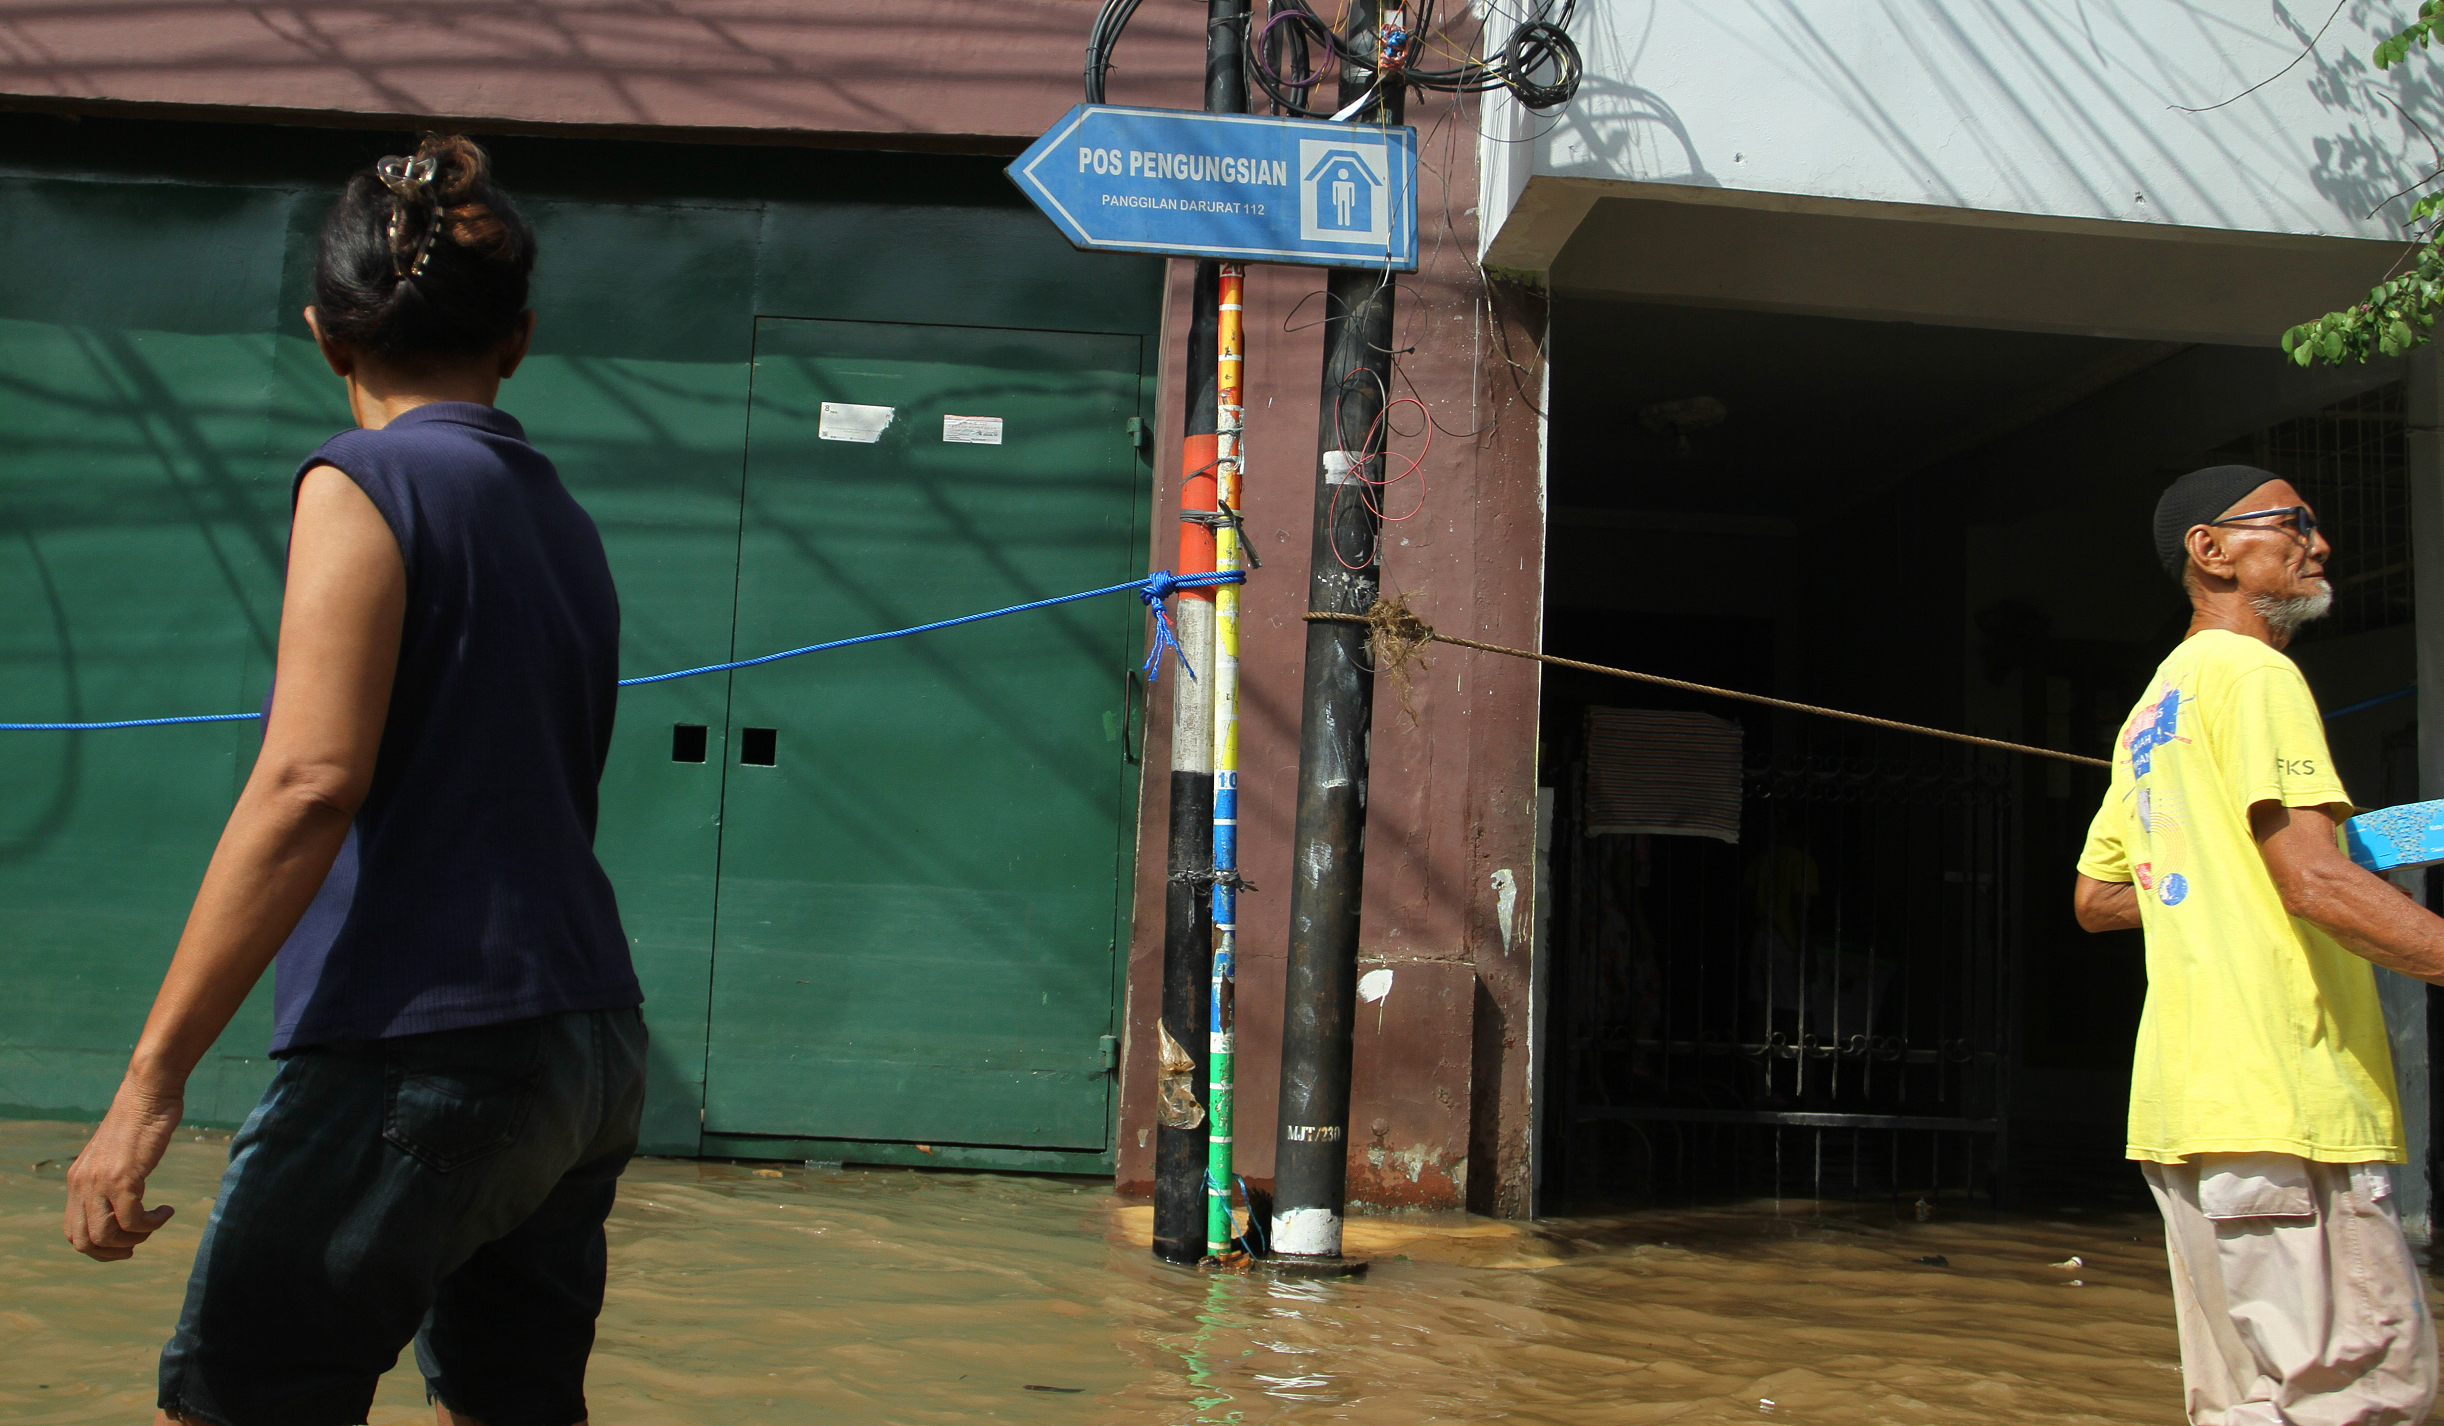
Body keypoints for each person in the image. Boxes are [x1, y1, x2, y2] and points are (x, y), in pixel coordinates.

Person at [61, 134, 646, 1426]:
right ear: (520, 339)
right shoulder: (555, 509)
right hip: (588, 1047)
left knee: (235, 1402)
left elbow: (310, 780)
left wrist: (148, 1082)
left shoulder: (365, 476)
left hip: (418, 1046)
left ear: (328, 334)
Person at [2075, 463, 2444, 1426]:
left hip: (2189, 1113)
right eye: (2294, 525)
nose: (2319, 546)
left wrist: (2211, 874)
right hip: (2286, 1098)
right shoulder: (2258, 674)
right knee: (2361, 1401)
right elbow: (2314, 881)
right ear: (2211, 551)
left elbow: (2102, 896)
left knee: (2251, 1406)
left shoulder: (2153, 708)